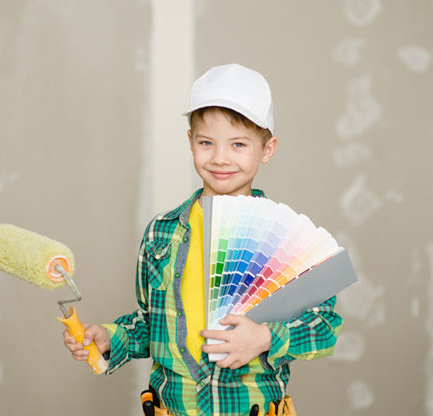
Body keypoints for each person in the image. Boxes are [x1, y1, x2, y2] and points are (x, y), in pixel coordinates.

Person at [63, 63, 343, 416]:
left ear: (267, 149)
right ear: (190, 141)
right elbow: (152, 323)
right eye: (206, 142)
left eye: (238, 144)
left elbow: (325, 327)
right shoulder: (161, 233)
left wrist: (266, 338)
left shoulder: (286, 242)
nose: (220, 158)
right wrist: (110, 339)